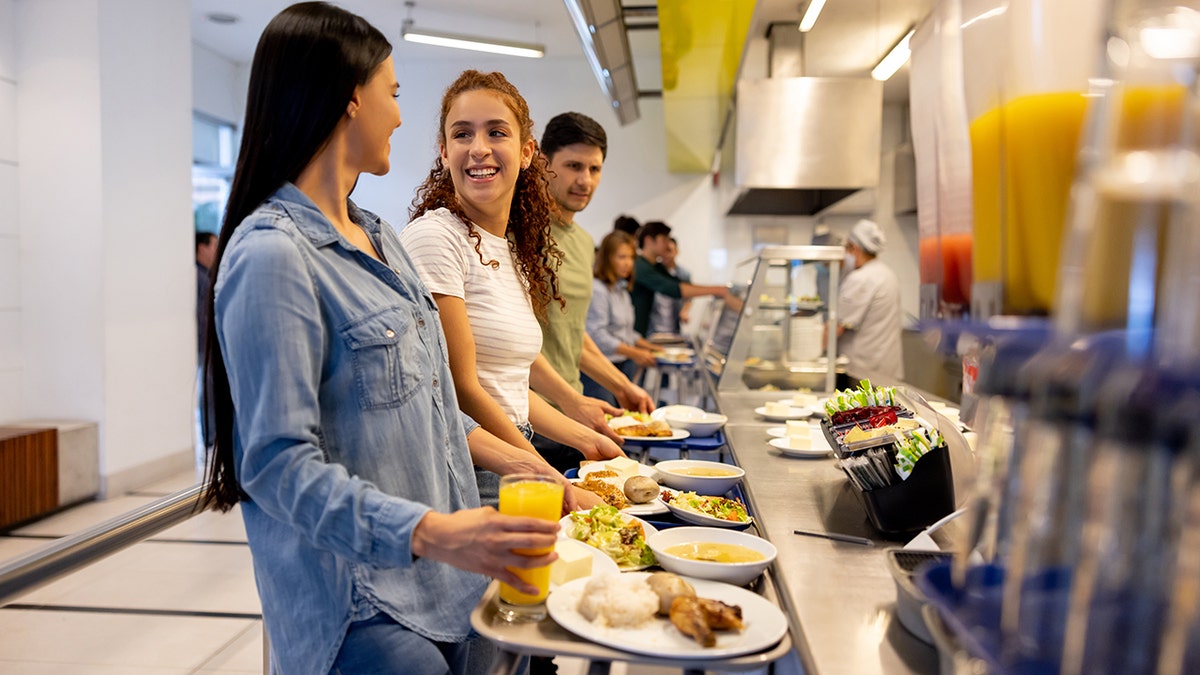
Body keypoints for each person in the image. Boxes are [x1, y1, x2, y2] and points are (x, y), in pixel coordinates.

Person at [199, 7, 563, 673]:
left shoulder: (382, 237)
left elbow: (426, 401)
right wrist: (434, 531)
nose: (399, 116)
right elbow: (277, 466)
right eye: (393, 94)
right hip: (361, 601)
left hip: (444, 581)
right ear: (350, 99)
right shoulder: (274, 254)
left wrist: (527, 468)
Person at [401, 73, 621, 507]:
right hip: (472, 471)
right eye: (462, 134)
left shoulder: (509, 250)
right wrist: (545, 473)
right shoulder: (437, 239)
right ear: (445, 153)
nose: (478, 147)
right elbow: (462, 390)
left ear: (526, 153)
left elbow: (507, 383)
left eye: (496, 132)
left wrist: (582, 434)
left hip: (511, 459)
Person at [525, 112, 655, 472]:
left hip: (573, 410)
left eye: (594, 169)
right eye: (573, 166)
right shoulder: (520, 232)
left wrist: (622, 385)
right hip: (528, 417)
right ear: (542, 162)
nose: (585, 180)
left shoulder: (584, 243)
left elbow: (574, 336)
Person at [584, 231, 661, 404]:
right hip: (602, 368)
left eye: (631, 257)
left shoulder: (621, 289)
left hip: (623, 364)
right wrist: (635, 352)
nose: (628, 263)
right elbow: (597, 335)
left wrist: (652, 347)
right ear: (607, 258)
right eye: (622, 257)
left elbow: (626, 332)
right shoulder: (598, 290)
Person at [631, 220, 730, 335]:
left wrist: (718, 290)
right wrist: (717, 290)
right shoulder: (640, 266)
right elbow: (674, 289)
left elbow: (679, 284)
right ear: (648, 241)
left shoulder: (656, 266)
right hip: (637, 334)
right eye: (664, 240)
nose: (667, 245)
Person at [834, 218, 904, 380]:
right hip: (885, 368)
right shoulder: (887, 273)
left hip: (862, 371)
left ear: (855, 249)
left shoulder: (860, 278)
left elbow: (837, 327)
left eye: (847, 248)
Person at [647, 236, 692, 337]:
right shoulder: (653, 272)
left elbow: (688, 298)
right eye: (664, 251)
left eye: (670, 251)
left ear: (676, 251)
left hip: (674, 327)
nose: (666, 254)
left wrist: (684, 311)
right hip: (653, 328)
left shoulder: (684, 275)